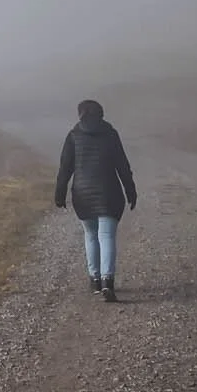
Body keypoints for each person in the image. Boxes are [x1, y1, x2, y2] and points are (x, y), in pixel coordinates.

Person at [53, 98, 137, 302]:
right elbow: (122, 166)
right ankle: (108, 281)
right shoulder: (110, 135)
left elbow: (65, 168)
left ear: (80, 114)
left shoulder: (73, 136)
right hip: (109, 192)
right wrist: (130, 191)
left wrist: (60, 193)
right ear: (102, 114)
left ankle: (95, 280)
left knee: (91, 235)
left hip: (82, 194)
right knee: (106, 235)